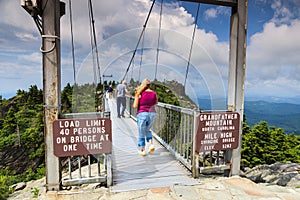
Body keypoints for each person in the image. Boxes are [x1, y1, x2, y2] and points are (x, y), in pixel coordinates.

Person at [133, 78, 158, 156]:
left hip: (142, 113)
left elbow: (135, 106)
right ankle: (151, 144)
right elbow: (156, 103)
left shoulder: (139, 93)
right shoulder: (154, 93)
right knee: (147, 130)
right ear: (149, 85)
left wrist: (138, 98)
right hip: (152, 114)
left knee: (141, 132)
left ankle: (142, 150)